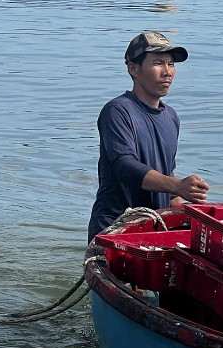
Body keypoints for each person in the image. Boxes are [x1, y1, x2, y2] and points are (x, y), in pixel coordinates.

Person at [88, 31, 209, 242]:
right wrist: (177, 184)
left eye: (171, 64)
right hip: (114, 229)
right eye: (158, 63)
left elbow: (166, 180)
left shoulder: (171, 117)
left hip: (154, 231)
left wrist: (192, 205)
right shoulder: (117, 111)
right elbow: (125, 166)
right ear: (133, 68)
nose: (167, 72)